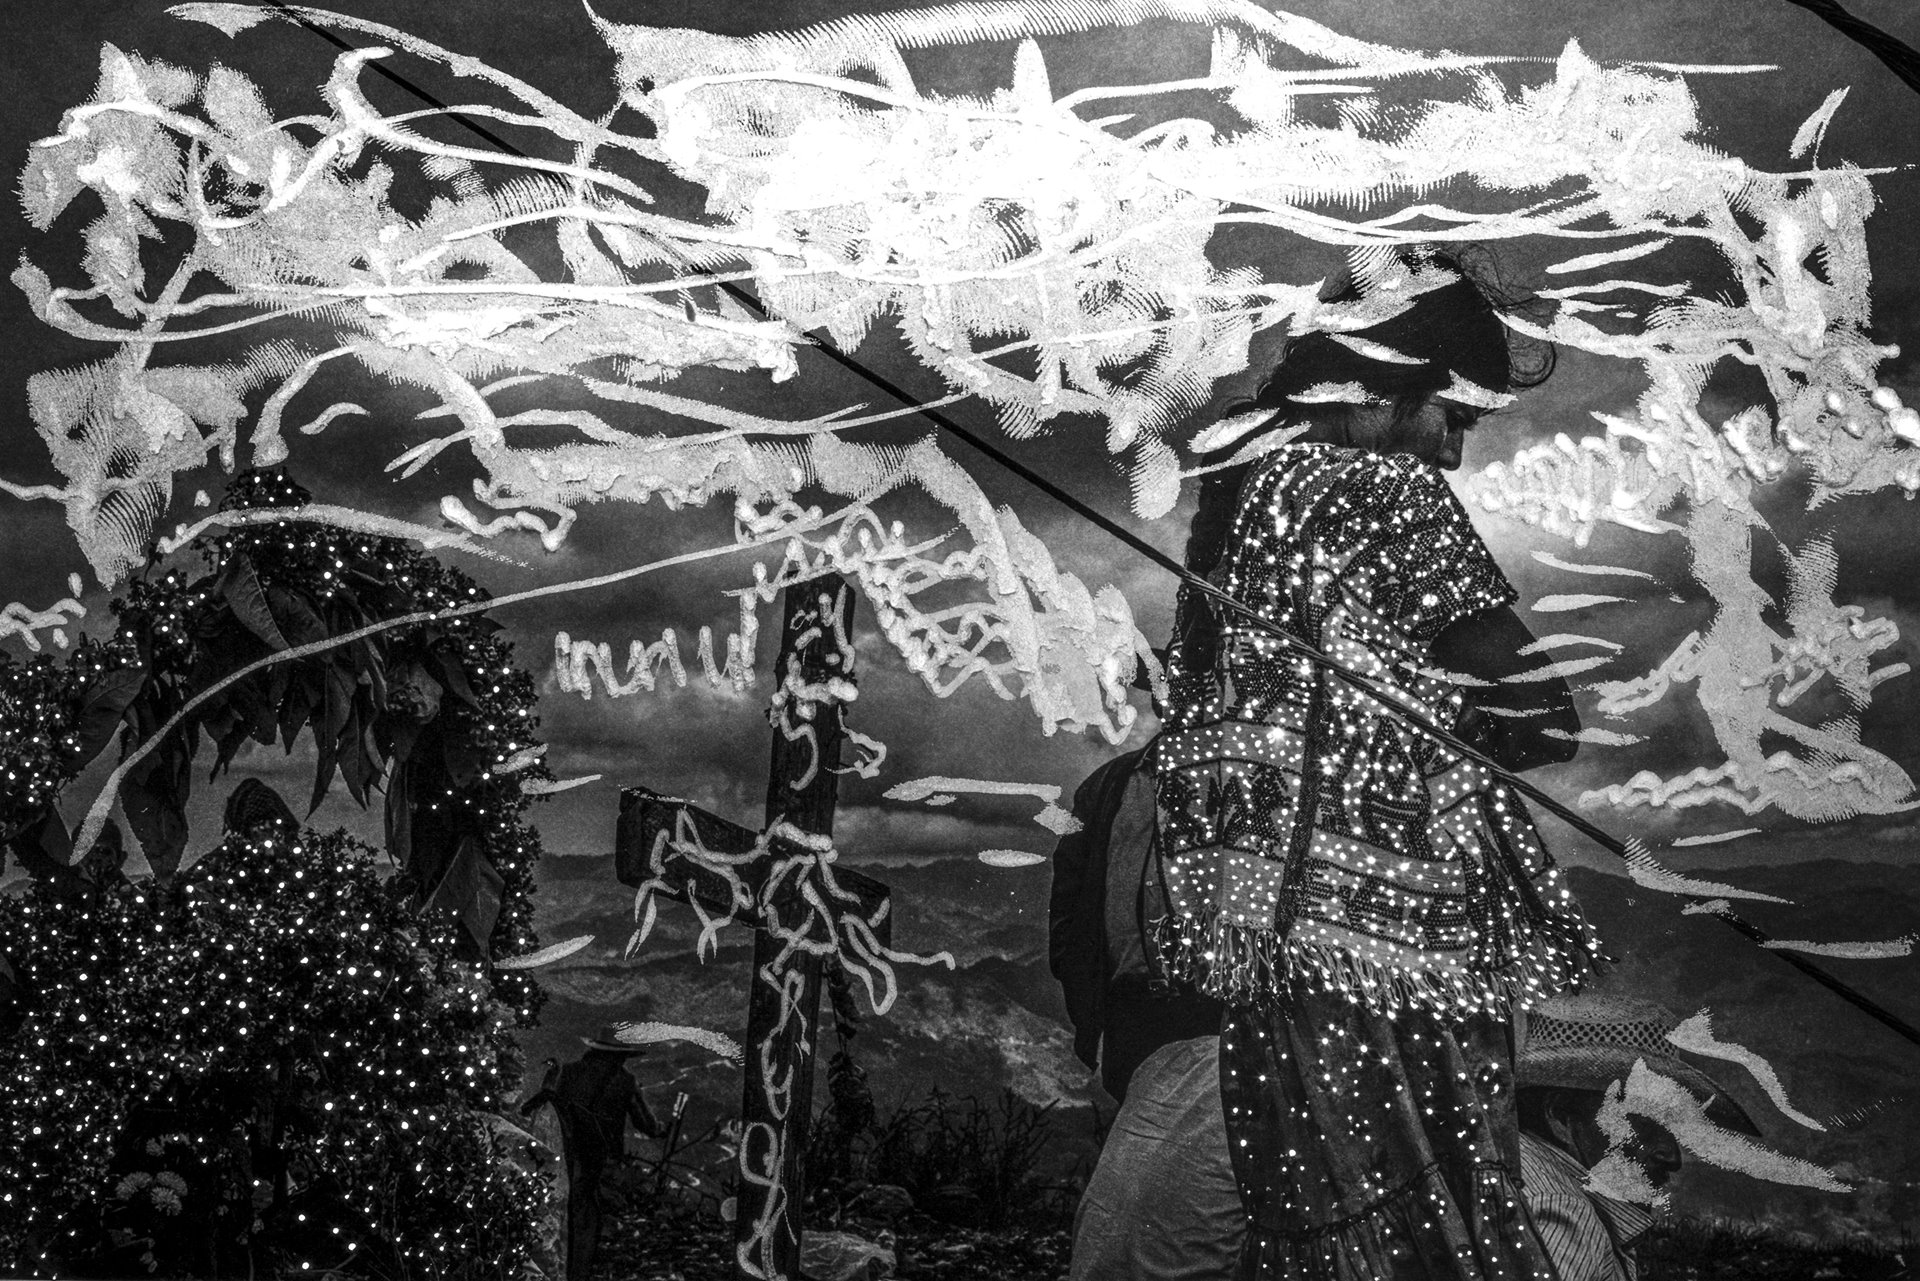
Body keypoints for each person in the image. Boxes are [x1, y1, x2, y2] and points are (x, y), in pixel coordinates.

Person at [1103, 244, 1600, 1281]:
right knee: (1443, 1215)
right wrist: (1431, 734)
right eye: (1454, 417)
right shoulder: (1384, 494)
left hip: (1264, 943)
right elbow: (1543, 715)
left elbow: (1211, 718)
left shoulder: (1229, 511)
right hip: (1404, 947)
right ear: (1392, 384)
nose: (1455, 454)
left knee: (1324, 1220)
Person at [1515, 991, 1760, 1281]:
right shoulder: (1564, 1212)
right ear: (1560, 1117)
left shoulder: (1524, 1170)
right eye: (1647, 1119)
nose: (1672, 1157)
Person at [520, 1024, 667, 1280]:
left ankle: (560, 1264)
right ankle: (580, 1271)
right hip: (602, 1159)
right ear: (619, 1054)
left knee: (569, 1211)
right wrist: (665, 1128)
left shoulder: (570, 1072)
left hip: (567, 1153)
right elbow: (647, 1125)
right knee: (589, 1216)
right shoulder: (625, 1081)